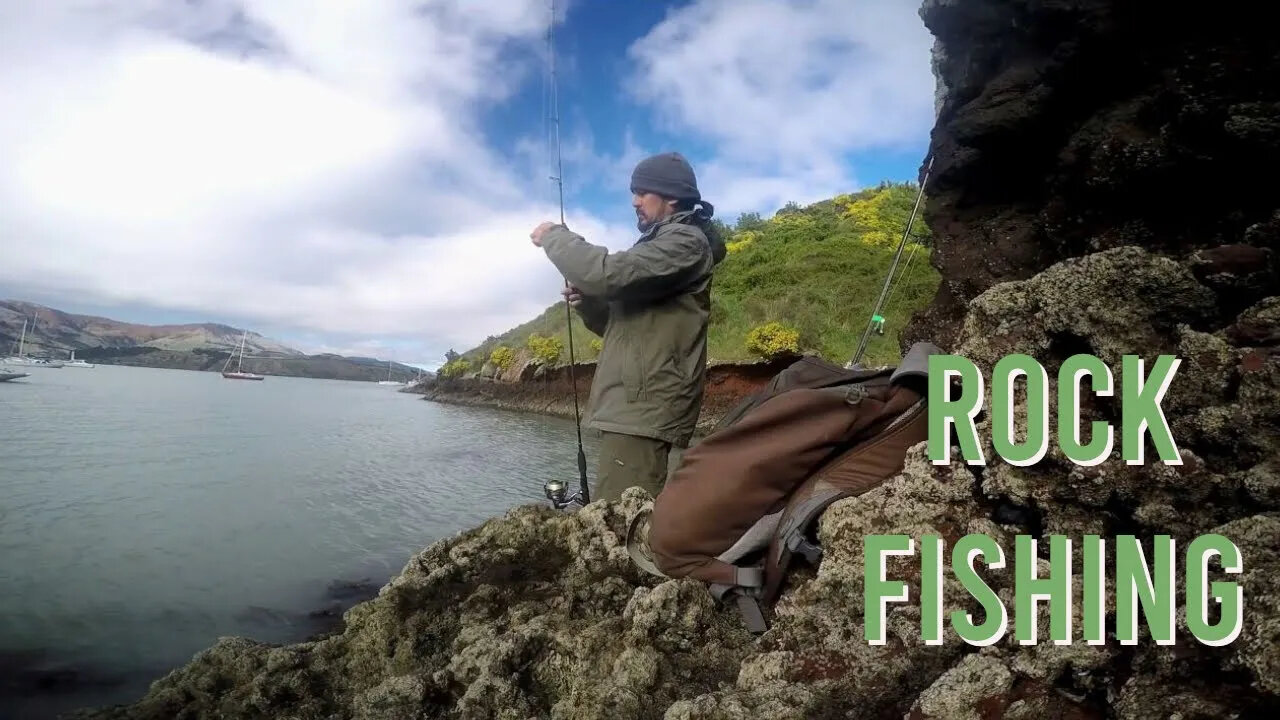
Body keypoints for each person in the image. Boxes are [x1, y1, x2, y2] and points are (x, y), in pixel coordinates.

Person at [530, 151, 727, 502]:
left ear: (671, 195)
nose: (634, 201)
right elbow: (622, 331)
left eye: (642, 192)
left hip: (645, 406)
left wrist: (556, 237)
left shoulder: (685, 243)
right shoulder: (667, 245)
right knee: (620, 515)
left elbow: (608, 274)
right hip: (634, 406)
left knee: (623, 526)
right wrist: (589, 304)